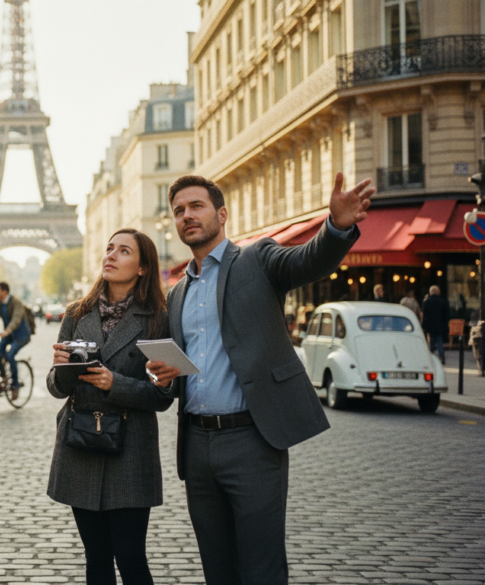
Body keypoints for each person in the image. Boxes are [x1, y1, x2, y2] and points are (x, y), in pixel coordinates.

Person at [147, 172, 375, 585]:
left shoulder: (256, 259)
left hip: (252, 440)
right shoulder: (177, 293)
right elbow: (180, 376)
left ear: (222, 214)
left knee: (261, 568)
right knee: (217, 568)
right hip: (196, 445)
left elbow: (307, 261)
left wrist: (337, 226)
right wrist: (164, 378)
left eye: (196, 206)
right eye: (178, 210)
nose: (186, 216)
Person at [47, 229, 180, 585]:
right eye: (109, 249)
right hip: (80, 444)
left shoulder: (158, 319)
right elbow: (55, 387)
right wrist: (63, 370)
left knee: (132, 558)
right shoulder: (76, 313)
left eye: (123, 251)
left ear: (142, 267)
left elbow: (165, 395)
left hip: (130, 451)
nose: (111, 255)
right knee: (96, 559)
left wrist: (114, 384)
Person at [0, 281, 32, 398]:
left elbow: (16, 319)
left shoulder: (16, 302)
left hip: (21, 335)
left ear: (4, 292)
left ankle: (15, 385)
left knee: (10, 355)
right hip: (9, 334)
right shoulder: (0, 304)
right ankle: (4, 376)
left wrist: (7, 331)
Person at [422, 285, 449, 364]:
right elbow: (446, 314)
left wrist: (424, 324)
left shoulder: (427, 302)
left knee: (431, 341)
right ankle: (441, 356)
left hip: (430, 324)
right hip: (440, 324)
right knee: (439, 340)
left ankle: (431, 357)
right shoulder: (442, 301)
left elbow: (424, 313)